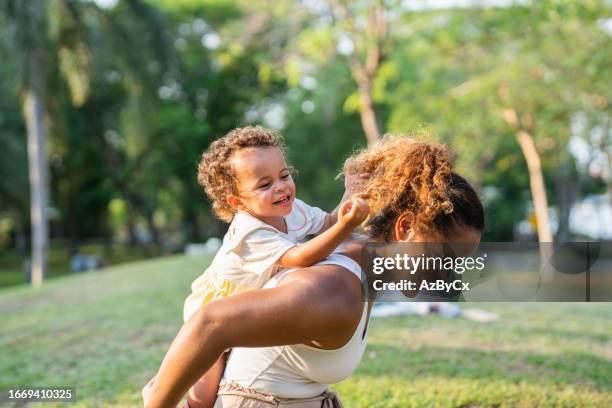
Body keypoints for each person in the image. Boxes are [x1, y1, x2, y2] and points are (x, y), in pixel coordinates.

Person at [143, 135, 485, 408]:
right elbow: (209, 322)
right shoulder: (334, 289)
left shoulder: (361, 266)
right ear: (405, 228)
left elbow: (328, 223)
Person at [145, 126, 369, 408]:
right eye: (265, 185)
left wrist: (348, 195)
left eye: (284, 175)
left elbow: (327, 223)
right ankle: (156, 390)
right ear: (238, 202)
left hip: (250, 307)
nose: (281, 187)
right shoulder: (249, 231)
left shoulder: (292, 208)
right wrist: (347, 225)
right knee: (202, 398)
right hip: (217, 308)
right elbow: (301, 257)